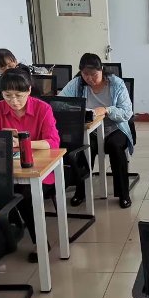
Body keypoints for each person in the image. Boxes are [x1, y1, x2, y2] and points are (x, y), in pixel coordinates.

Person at [0, 67, 60, 262]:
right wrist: (0, 141)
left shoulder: (43, 109)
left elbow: (52, 142)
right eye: (7, 95)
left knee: (25, 194)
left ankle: (40, 242)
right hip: (6, 169)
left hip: (39, 171)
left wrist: (22, 141)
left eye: (18, 95)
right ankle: (0, 240)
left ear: (29, 90)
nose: (13, 101)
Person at [61, 53, 135, 209]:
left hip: (115, 127)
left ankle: (123, 194)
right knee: (83, 150)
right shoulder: (77, 84)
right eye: (85, 74)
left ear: (101, 69)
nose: (89, 78)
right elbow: (61, 103)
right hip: (90, 130)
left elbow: (127, 112)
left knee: (116, 148)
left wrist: (107, 110)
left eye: (94, 74)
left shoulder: (116, 84)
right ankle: (81, 191)